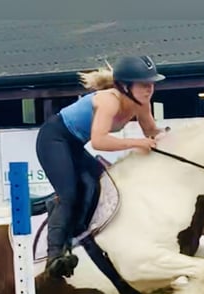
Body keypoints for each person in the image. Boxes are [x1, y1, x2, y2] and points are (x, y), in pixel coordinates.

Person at [35, 55, 166, 279]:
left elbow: (151, 131)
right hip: (54, 138)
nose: (149, 89)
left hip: (74, 143)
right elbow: (99, 141)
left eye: (152, 84)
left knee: (104, 185)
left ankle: (84, 236)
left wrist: (177, 143)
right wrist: (136, 143)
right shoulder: (109, 101)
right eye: (144, 84)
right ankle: (54, 256)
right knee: (69, 194)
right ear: (125, 86)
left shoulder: (142, 104)